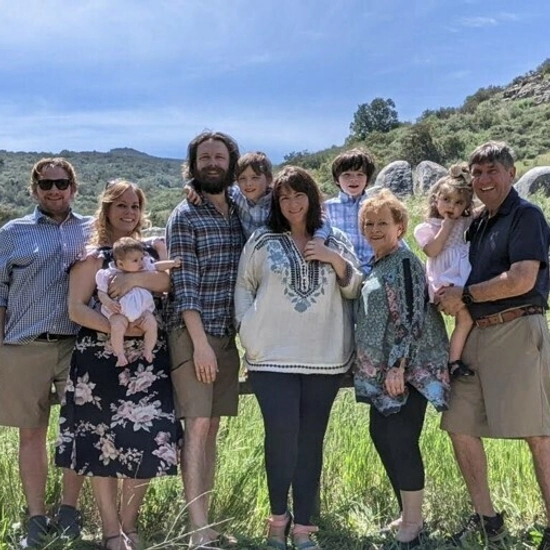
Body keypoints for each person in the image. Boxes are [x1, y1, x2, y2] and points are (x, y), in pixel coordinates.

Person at [234, 166, 363, 550]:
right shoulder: (262, 240)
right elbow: (244, 285)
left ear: (312, 196)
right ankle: (277, 520)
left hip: (324, 358)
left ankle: (305, 526)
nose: (291, 203)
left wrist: (332, 258)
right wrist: (247, 329)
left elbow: (355, 287)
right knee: (281, 438)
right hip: (270, 358)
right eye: (284, 197)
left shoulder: (335, 238)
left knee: (311, 442)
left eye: (299, 195)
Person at [55, 180, 181, 550]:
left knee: (143, 440)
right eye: (121, 206)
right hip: (98, 362)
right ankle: (111, 532)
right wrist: (118, 329)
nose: (129, 212)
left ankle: (131, 526)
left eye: (135, 206)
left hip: (147, 361)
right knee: (100, 446)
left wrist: (133, 278)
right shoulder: (91, 257)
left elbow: (166, 284)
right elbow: (76, 309)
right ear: (107, 209)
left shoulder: (152, 250)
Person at [437, 141, 550, 549]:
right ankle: (488, 522)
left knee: (538, 433)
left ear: (511, 171)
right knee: (459, 424)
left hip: (518, 329)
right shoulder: (479, 223)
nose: (483, 180)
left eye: (492, 171)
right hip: (475, 335)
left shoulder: (527, 216)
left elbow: (521, 279)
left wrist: (463, 297)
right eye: (477, 173)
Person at [0, 158, 91, 547]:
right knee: (31, 434)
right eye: (46, 183)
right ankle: (37, 517)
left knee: (78, 430)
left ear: (74, 187)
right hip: (24, 345)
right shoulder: (11, 233)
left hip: (79, 345)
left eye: (61, 182)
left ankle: (70, 510)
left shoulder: (92, 229)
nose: (54, 189)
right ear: (34, 188)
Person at [354, 189, 450, 547]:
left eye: (383, 222)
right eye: (369, 223)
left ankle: (413, 522)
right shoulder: (378, 264)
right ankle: (406, 512)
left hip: (410, 371)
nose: (375, 229)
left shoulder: (406, 261)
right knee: (382, 437)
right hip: (385, 373)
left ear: (400, 226)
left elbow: (411, 316)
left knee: (401, 439)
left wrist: (399, 366)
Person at [165, 131, 245, 548]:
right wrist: (198, 343)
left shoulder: (240, 211)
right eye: (204, 157)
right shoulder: (184, 215)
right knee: (196, 426)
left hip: (227, 337)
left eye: (219, 156)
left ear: (230, 163)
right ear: (193, 164)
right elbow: (184, 286)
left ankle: (206, 521)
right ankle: (197, 531)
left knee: (211, 427)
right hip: (193, 333)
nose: (212, 163)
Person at [413, 163, 475, 377]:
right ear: (436, 199)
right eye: (446, 200)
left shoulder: (464, 221)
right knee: (466, 317)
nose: (452, 206)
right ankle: (454, 361)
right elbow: (432, 250)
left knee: (467, 318)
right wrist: (446, 226)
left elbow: (484, 210)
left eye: (458, 203)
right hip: (444, 277)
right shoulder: (425, 228)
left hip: (463, 274)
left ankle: (456, 358)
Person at [96, 236, 181, 366]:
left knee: (152, 324)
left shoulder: (145, 268)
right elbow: (101, 293)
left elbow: (157, 267)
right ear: (120, 264)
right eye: (135, 260)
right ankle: (120, 354)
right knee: (117, 327)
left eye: (141, 258)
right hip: (119, 311)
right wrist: (109, 303)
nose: (141, 262)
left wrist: (172, 263)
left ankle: (148, 350)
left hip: (142, 310)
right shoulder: (108, 274)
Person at [324, 147, 380, 273]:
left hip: (373, 269)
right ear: (337, 179)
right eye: (346, 175)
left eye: (360, 174)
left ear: (367, 179)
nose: (354, 179)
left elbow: (393, 238)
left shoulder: (376, 206)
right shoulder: (327, 207)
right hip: (339, 270)